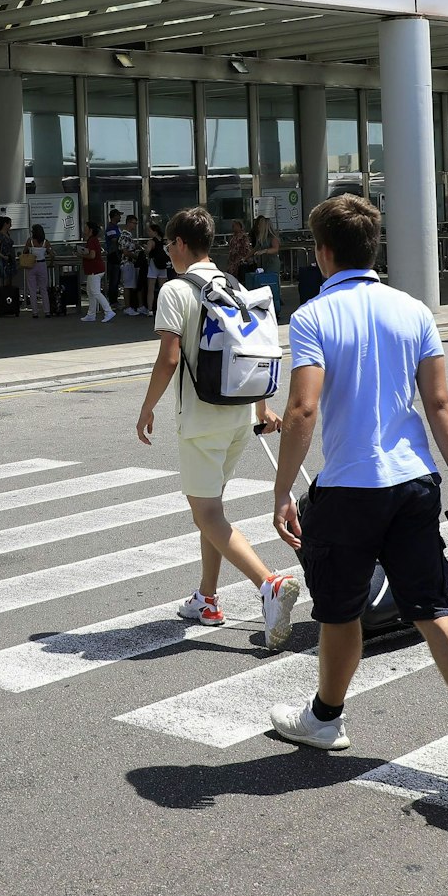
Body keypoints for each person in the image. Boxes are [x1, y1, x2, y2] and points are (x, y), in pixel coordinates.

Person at [264, 194, 448, 779]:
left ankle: (326, 718)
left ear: (323, 252)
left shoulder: (312, 317)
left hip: (348, 488)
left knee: (340, 612)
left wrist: (281, 491)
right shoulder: (414, 311)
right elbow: (439, 402)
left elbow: (302, 409)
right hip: (413, 481)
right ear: (372, 247)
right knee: (433, 608)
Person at [135, 207, 300, 643]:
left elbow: (169, 358)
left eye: (169, 244)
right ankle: (207, 598)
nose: (168, 251)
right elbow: (251, 348)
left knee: (206, 513)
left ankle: (269, 583)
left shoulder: (175, 290)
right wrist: (262, 409)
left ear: (180, 244)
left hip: (201, 420)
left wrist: (147, 408)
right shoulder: (233, 285)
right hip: (239, 417)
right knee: (212, 511)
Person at [78, 228, 114, 322]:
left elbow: (92, 255)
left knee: (95, 292)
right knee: (90, 292)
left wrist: (81, 255)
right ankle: (91, 314)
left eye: (86, 228)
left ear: (90, 230)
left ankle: (108, 311)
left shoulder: (91, 241)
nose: (84, 230)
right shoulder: (93, 240)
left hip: (95, 270)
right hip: (94, 270)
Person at [0, 215, 19, 307]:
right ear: (5, 224)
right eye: (9, 223)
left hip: (10, 259)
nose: (10, 225)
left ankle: (8, 298)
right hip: (4, 260)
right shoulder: (0, 235)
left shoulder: (7, 234)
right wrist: (3, 256)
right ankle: (2, 300)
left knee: (10, 279)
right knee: (4, 279)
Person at [145, 219, 171, 312]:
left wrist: (145, 249)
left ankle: (150, 309)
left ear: (155, 232)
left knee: (151, 288)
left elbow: (147, 251)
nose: (148, 233)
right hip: (163, 265)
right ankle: (163, 308)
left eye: (149, 231)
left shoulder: (151, 241)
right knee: (162, 288)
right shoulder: (164, 241)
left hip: (153, 265)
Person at [250, 213, 281, 293]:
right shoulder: (261, 238)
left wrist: (264, 251)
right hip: (264, 263)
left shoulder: (273, 237)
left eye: (260, 225)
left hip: (272, 263)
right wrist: (245, 257)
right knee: (265, 282)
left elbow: (275, 249)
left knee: (272, 282)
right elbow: (255, 248)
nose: (258, 226)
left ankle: (276, 296)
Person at [25, 224, 51, 319]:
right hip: (42, 265)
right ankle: (47, 311)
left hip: (31, 265)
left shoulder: (30, 241)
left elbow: (24, 251)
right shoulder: (45, 242)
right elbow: (52, 253)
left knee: (32, 290)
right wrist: (51, 262)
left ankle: (35, 312)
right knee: (43, 289)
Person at [119, 214, 142, 315]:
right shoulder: (125, 235)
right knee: (127, 286)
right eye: (134, 223)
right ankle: (127, 307)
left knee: (131, 285)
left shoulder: (129, 236)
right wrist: (136, 257)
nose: (135, 225)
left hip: (131, 263)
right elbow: (125, 251)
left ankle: (132, 306)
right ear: (128, 223)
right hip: (127, 263)